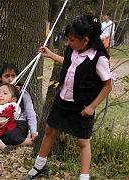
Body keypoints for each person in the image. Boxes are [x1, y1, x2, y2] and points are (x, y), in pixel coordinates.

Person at [23, 15, 113, 180]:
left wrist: (92, 107)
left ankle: (84, 176)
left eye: (72, 40)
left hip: (83, 106)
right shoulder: (73, 49)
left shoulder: (98, 58)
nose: (68, 43)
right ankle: (39, 166)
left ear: (85, 40)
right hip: (63, 100)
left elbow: (108, 85)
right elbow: (70, 63)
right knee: (49, 130)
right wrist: (51, 55)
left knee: (83, 141)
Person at [0, 63, 38, 146]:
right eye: (7, 76)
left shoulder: (23, 93)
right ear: (0, 77)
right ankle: (9, 144)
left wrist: (33, 132)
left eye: (13, 76)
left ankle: (28, 141)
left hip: (17, 123)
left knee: (8, 135)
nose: (10, 79)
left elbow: (31, 115)